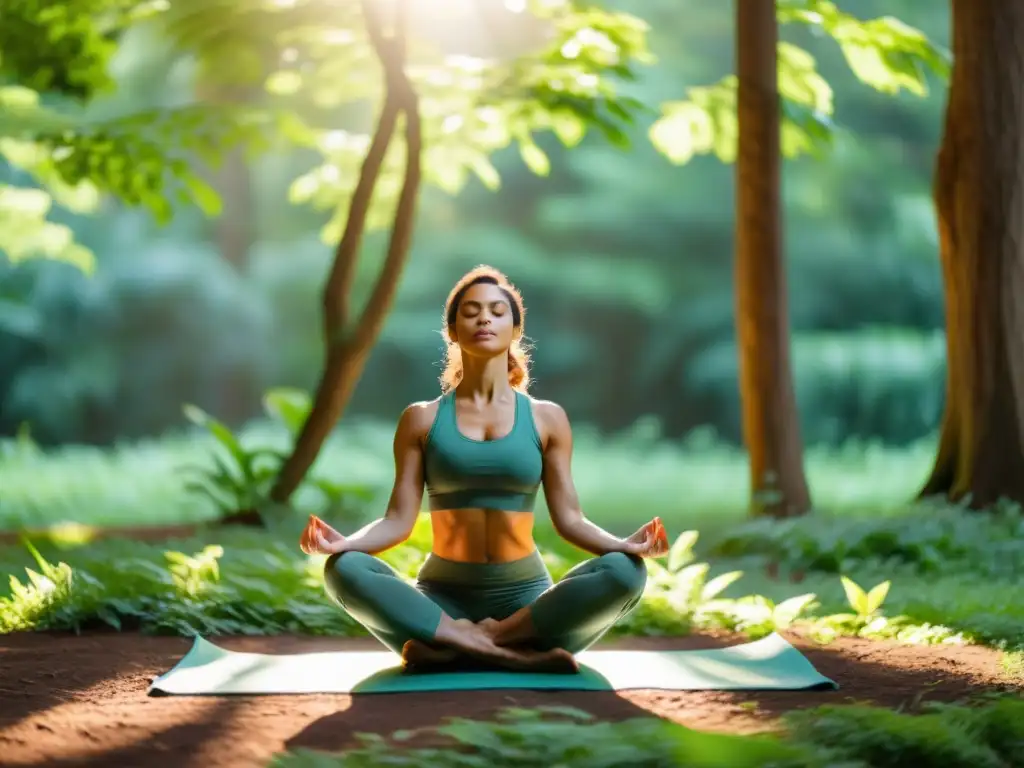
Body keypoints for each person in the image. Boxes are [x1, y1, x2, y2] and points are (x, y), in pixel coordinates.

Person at [300, 265, 670, 673]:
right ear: (453, 331)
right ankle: (508, 650)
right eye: (471, 311)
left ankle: (468, 643)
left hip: (526, 601)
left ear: (515, 329)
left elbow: (571, 520)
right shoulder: (421, 419)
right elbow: (397, 521)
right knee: (344, 569)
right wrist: (344, 544)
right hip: (441, 600)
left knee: (625, 573)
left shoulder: (547, 419)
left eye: (497, 311)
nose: (484, 318)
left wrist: (624, 546)